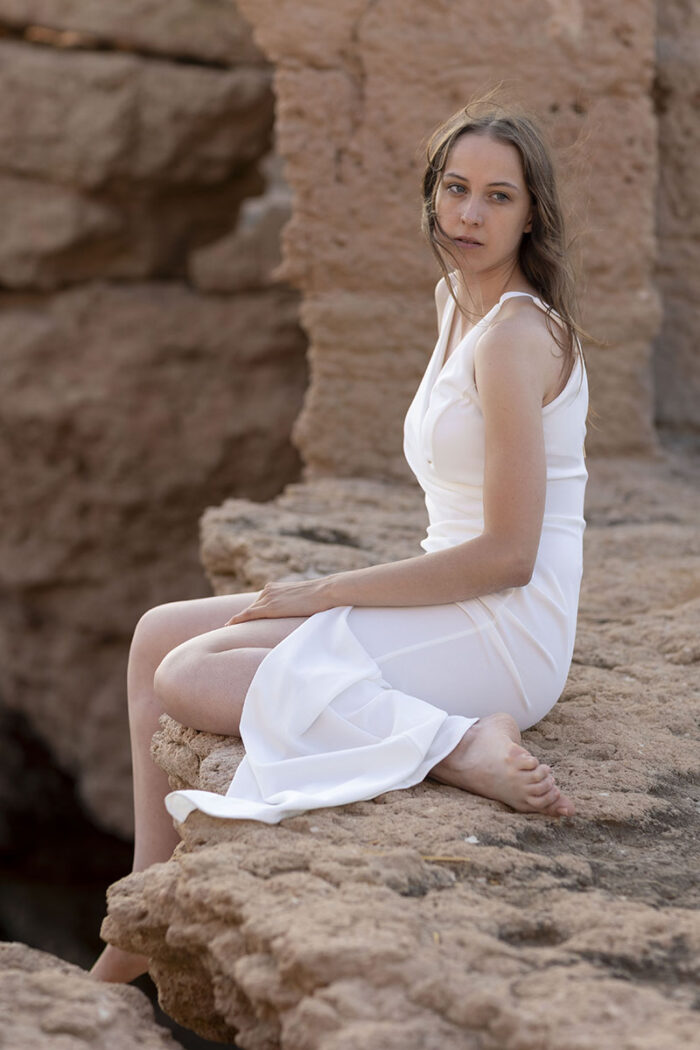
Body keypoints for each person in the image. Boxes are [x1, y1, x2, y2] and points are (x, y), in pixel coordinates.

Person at [91, 100, 588, 983]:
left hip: (506, 626)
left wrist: (330, 590)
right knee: (156, 634)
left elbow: (510, 554)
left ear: (531, 214)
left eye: (498, 198)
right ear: (432, 195)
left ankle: (459, 743)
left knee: (190, 676)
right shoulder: (455, 305)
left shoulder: (514, 336)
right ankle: (142, 898)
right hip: (452, 598)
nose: (469, 215)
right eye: (455, 188)